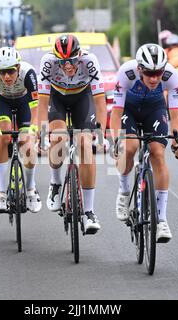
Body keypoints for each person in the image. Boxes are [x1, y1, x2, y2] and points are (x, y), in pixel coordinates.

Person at [111, 43, 178, 243]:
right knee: (130, 146)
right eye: (149, 73)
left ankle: (161, 219)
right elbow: (116, 112)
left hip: (155, 109)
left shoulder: (171, 75)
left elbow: (175, 114)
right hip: (129, 110)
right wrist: (114, 140)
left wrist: (177, 139)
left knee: (158, 153)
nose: (154, 79)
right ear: (139, 70)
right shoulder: (125, 73)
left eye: (158, 73)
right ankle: (124, 192)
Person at [37, 34, 107, 234]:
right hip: (57, 98)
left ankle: (89, 212)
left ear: (79, 55)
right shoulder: (48, 62)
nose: (68, 66)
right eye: (63, 62)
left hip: (82, 99)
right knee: (57, 138)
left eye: (72, 61)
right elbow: (42, 104)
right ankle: (56, 183)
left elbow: (100, 101)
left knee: (85, 145)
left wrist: (101, 135)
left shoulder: (89, 61)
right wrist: (43, 134)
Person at [0, 47, 41, 214]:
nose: (6, 76)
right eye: (2, 72)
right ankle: (1, 193)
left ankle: (31, 189)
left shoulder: (28, 73)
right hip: (3, 102)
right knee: (2, 137)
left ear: (17, 67)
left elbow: (36, 108)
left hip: (25, 103)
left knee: (27, 143)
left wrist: (34, 127)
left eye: (10, 71)